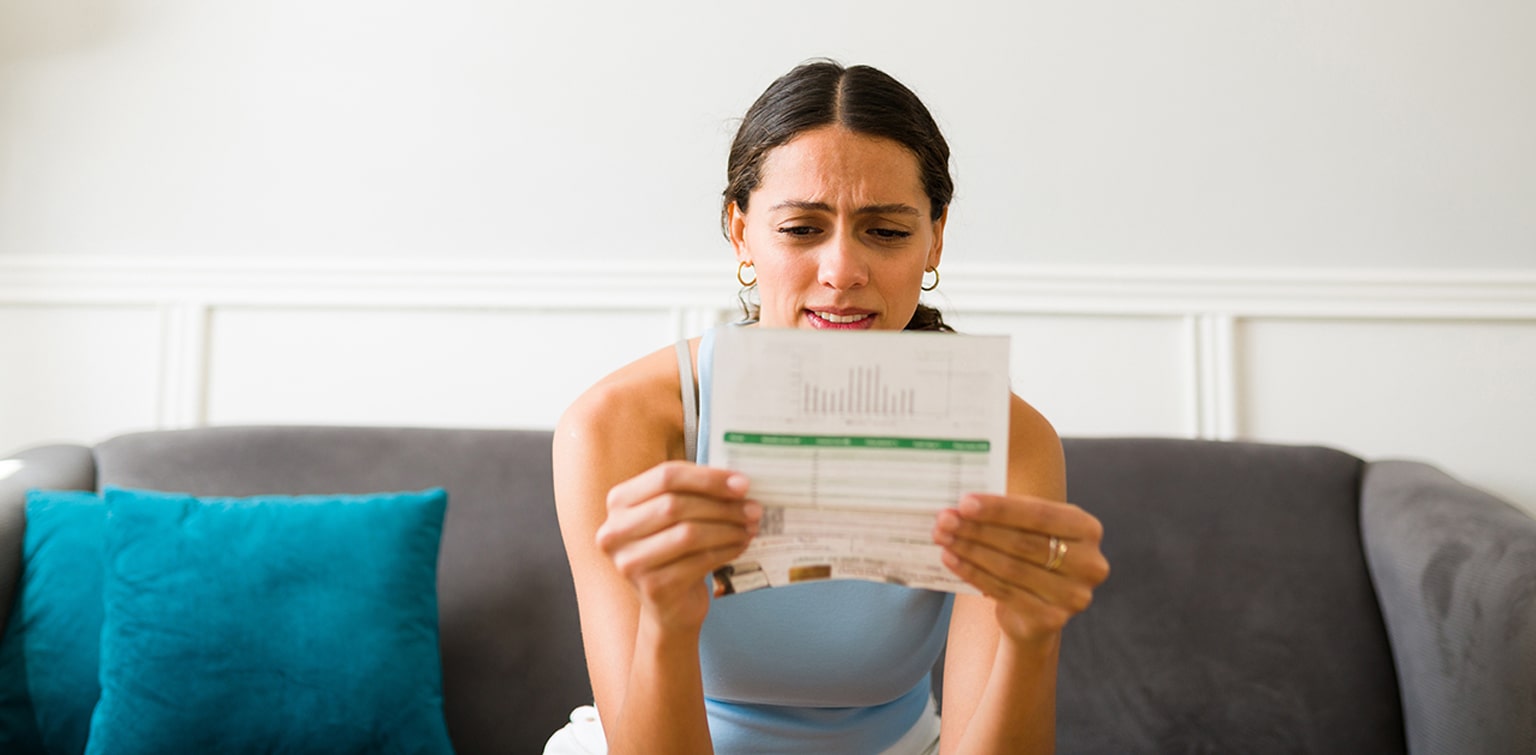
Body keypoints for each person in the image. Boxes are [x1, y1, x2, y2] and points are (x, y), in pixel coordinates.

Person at [546, 60, 1109, 755]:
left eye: (887, 231)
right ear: (740, 232)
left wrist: (1033, 638)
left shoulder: (1007, 439)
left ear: (935, 237)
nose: (842, 271)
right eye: (800, 228)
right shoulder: (617, 425)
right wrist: (667, 621)